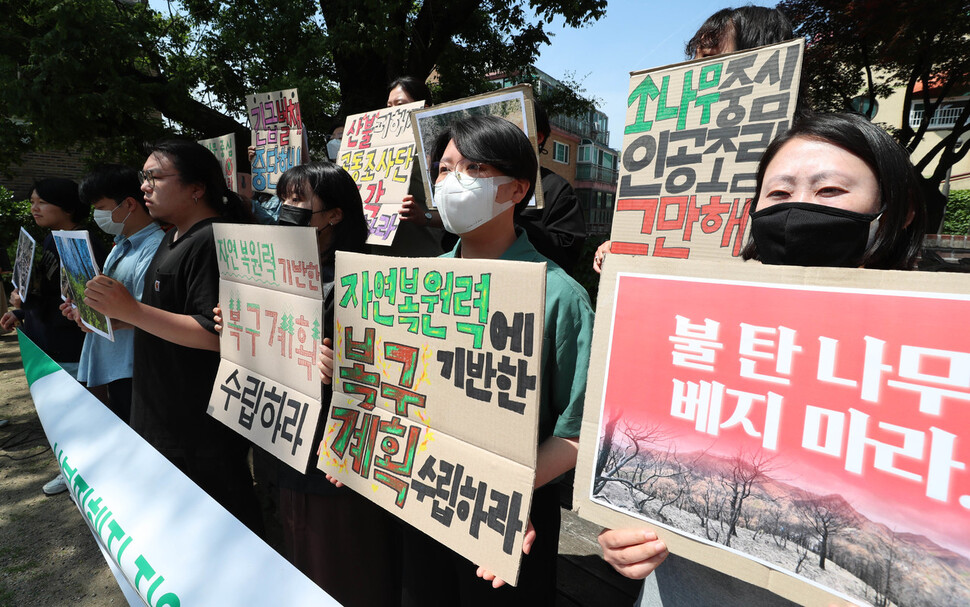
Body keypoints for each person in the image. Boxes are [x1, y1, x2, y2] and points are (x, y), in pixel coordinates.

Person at [598, 111, 926, 606]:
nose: (798, 209)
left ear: (896, 211)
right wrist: (623, 532)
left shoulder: (931, 355)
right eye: (778, 193)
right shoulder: (697, 326)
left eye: (830, 191)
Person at [319, 115, 595, 605]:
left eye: (474, 168)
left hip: (505, 518)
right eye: (444, 170)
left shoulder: (559, 296)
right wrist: (359, 434)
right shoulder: (414, 282)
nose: (452, 182)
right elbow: (397, 390)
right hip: (422, 502)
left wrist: (500, 489)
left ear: (517, 190)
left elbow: (578, 433)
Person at [83, 140, 263, 534]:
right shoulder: (173, 235)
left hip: (199, 414)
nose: (145, 186)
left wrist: (132, 311)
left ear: (197, 187)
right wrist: (113, 319)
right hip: (162, 402)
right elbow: (167, 315)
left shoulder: (213, 239)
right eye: (143, 177)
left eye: (156, 177)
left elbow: (216, 335)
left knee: (223, 515)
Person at [593, 5, 794, 273]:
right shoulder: (672, 150)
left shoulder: (804, 157)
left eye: (708, 57)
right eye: (694, 58)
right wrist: (627, 249)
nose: (692, 72)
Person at [0, 178, 107, 496]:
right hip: (43, 343)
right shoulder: (47, 241)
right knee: (59, 412)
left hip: (70, 346)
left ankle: (85, 473)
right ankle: (71, 468)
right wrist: (20, 311)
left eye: (41, 202)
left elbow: (84, 303)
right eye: (32, 201)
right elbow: (43, 293)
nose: (34, 208)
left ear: (68, 207)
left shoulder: (82, 245)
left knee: (79, 411)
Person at [61, 165, 164, 425]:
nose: (97, 215)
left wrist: (102, 319)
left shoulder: (153, 247)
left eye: (101, 206)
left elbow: (151, 314)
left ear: (129, 204)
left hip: (136, 368)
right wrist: (84, 309)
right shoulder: (121, 245)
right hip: (118, 365)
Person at [515, 102, 587, 275]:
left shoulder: (557, 189)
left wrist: (511, 223)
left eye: (514, 127)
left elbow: (565, 256)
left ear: (538, 137)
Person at [381, 76, 445, 257]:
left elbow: (456, 214)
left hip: (422, 253)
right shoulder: (375, 152)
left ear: (424, 109)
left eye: (400, 105)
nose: (393, 112)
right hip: (379, 253)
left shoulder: (439, 151)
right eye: (388, 106)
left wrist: (423, 217)